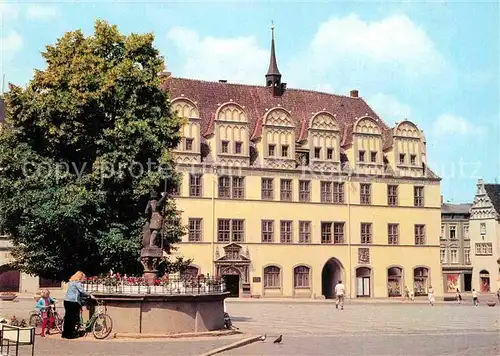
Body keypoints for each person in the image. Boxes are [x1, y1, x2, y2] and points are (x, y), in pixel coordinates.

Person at [61, 271, 95, 339]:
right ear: (80, 277)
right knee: (73, 319)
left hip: (67, 301)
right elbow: (81, 291)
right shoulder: (77, 283)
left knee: (67, 318)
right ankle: (70, 334)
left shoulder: (71, 282)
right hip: (73, 302)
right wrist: (90, 294)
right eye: (83, 277)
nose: (84, 279)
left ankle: (65, 334)